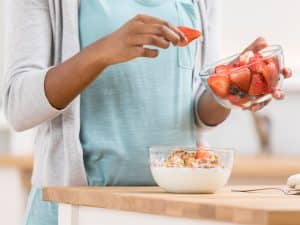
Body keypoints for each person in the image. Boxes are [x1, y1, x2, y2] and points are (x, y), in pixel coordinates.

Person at [3, 0, 291, 224]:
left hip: (171, 210)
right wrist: (102, 52)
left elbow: (200, 114)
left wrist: (233, 85)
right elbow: (18, 107)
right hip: (75, 210)